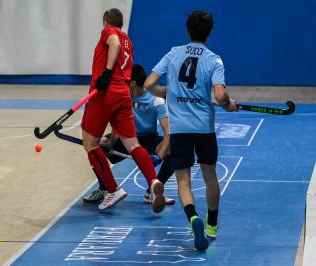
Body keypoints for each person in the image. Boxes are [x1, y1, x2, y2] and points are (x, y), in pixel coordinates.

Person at [144, 10, 238, 251]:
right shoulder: (214, 59)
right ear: (209, 33)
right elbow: (220, 95)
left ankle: (193, 217)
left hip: (179, 128)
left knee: (183, 180)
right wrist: (228, 104)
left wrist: (168, 94)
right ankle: (212, 223)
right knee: (210, 176)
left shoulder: (174, 53)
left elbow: (148, 84)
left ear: (188, 31)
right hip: (203, 127)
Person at [81, 8, 166, 213]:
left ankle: (112, 189)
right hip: (123, 93)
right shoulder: (130, 41)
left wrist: (107, 73)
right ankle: (153, 181)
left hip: (105, 93)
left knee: (90, 144)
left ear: (106, 24)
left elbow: (114, 44)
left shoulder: (110, 33)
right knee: (133, 144)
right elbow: (121, 49)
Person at [83, 64, 175, 205]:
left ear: (132, 83)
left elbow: (168, 130)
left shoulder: (156, 100)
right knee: (97, 146)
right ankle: (104, 189)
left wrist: (159, 156)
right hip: (124, 137)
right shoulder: (121, 97)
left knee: (173, 150)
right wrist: (111, 141)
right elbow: (116, 123)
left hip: (148, 139)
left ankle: (153, 192)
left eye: (124, 80)